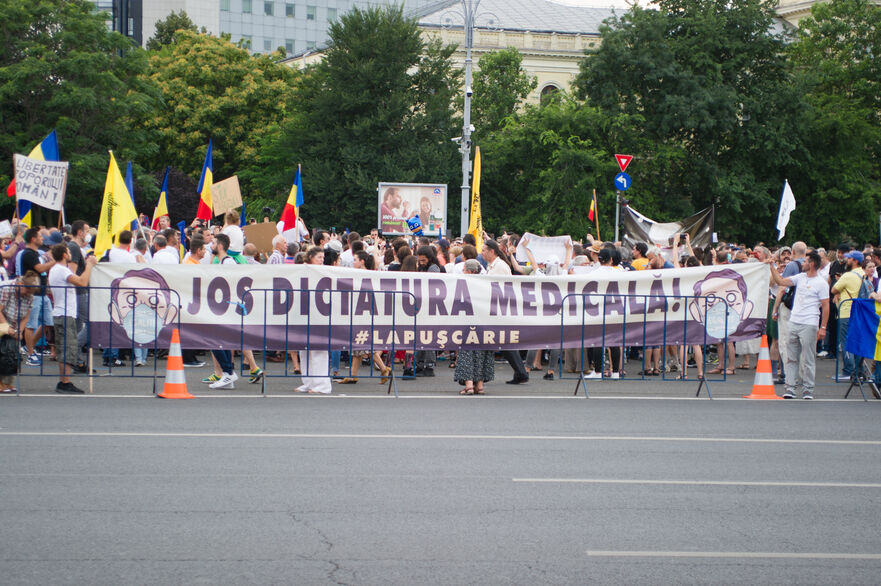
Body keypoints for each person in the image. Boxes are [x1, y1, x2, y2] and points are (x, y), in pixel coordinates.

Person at [768, 251, 829, 399]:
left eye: (805, 261)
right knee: (791, 357)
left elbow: (825, 305)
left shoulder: (821, 283)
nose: (802, 263)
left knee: (807, 357)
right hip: (794, 321)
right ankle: (790, 388)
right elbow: (781, 282)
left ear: (812, 264)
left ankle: (808, 389)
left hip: (809, 323)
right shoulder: (800, 278)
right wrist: (771, 266)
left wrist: (823, 327)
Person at [48, 244, 97, 393]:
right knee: (67, 349)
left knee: (65, 348)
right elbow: (82, 282)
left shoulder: (56, 270)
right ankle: (65, 382)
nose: (70, 253)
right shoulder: (62, 270)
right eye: (68, 251)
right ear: (64, 254)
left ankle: (64, 381)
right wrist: (89, 265)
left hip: (62, 312)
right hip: (65, 314)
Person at [482, 239, 529, 384]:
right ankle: (520, 372)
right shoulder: (493, 265)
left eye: (484, 250)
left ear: (492, 251)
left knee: (503, 342)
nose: (481, 253)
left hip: (499, 309)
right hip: (494, 308)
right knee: (502, 342)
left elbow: (503, 288)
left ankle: (520, 373)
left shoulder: (500, 266)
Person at [455, 259, 495, 394]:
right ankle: (480, 385)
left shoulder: (464, 284)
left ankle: (469, 385)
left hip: (468, 321)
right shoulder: (485, 283)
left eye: (464, 269)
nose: (462, 271)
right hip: (484, 322)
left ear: (471, 271)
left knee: (467, 351)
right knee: (481, 351)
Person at [296, 247, 332, 394]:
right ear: (310, 257)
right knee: (304, 351)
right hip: (304, 314)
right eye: (319, 257)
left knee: (318, 350)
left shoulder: (326, 272)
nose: (322, 260)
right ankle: (309, 381)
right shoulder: (302, 270)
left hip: (320, 315)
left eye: (323, 258)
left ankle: (322, 385)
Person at [20, 228, 57, 367]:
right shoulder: (28, 254)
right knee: (30, 325)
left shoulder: (36, 253)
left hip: (42, 293)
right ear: (33, 239)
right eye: (40, 236)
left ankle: (30, 346)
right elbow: (40, 269)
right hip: (33, 294)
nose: (42, 238)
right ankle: (30, 354)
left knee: (49, 322)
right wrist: (55, 261)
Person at [831, 250, 869, 380]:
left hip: (847, 312)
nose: (846, 260)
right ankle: (859, 371)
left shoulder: (848, 276)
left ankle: (848, 370)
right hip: (860, 313)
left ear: (855, 261)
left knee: (845, 342)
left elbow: (834, 289)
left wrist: (838, 289)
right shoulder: (864, 274)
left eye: (849, 259)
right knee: (858, 342)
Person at [0, 271, 40, 392]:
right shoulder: (6, 288)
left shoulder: (30, 296)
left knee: (12, 353)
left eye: (30, 293)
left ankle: (7, 383)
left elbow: (26, 317)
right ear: (21, 284)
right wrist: (7, 328)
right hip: (2, 321)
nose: (28, 294)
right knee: (2, 351)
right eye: (27, 291)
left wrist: (20, 331)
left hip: (13, 323)